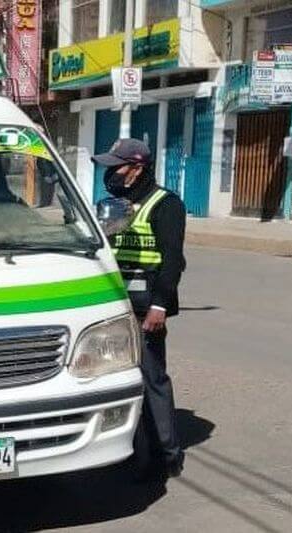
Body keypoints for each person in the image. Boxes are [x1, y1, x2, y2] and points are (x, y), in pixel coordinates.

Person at [92, 138, 187, 480]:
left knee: (151, 378)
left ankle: (167, 454)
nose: (110, 173)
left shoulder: (166, 205)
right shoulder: (113, 204)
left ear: (137, 167)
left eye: (116, 166)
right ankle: (125, 450)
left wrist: (160, 306)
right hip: (115, 305)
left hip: (147, 306)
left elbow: (173, 261)